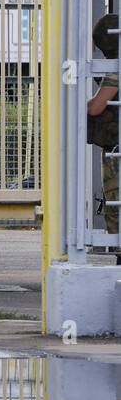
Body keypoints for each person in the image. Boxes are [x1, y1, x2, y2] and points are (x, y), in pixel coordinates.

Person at [87, 14, 119, 255]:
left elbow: (97, 106)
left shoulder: (115, 67)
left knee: (115, 198)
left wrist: (82, 106)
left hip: (117, 147)